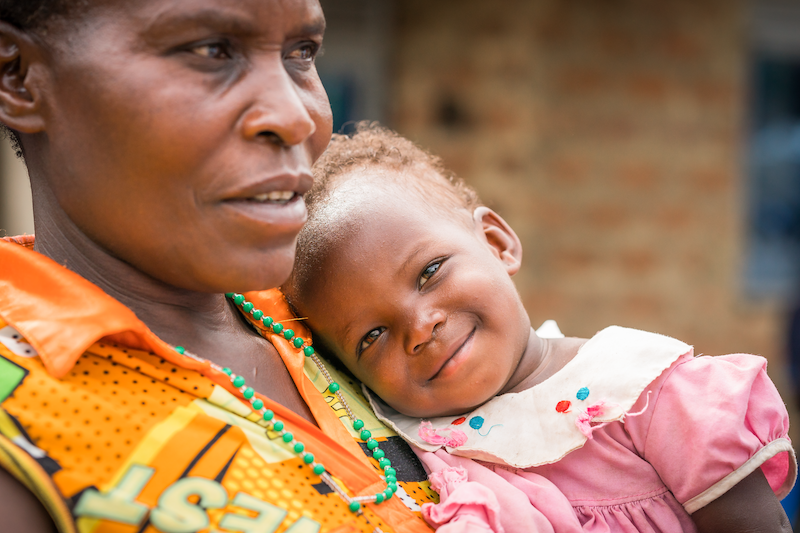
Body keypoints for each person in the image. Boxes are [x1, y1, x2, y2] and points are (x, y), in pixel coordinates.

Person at [0, 2, 437, 532]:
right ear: (18, 77)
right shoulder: (21, 419)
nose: (297, 117)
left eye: (301, 52)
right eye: (212, 51)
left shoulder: (332, 311)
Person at [283, 123, 797, 533]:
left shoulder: (639, 388)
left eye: (429, 272)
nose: (420, 328)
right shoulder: (407, 450)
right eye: (371, 337)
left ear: (497, 241)